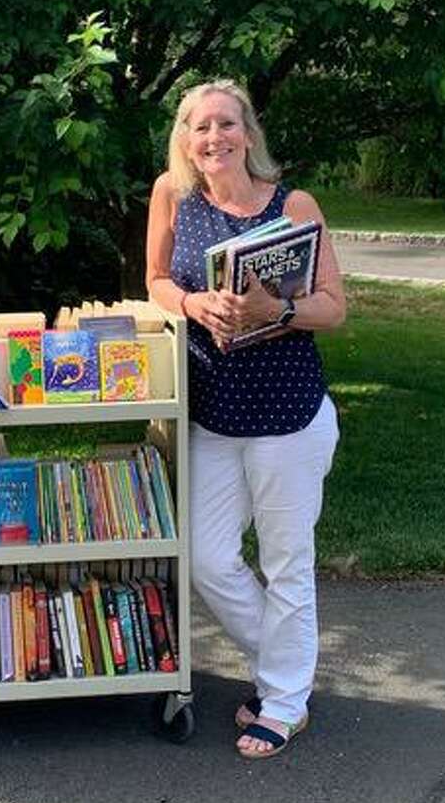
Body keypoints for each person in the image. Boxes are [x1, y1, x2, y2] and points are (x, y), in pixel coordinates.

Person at [145, 79, 346, 759]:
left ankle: (284, 704)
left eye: (226, 124)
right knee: (205, 557)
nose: (214, 137)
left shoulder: (293, 205)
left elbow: (334, 307)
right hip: (213, 413)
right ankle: (285, 672)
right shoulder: (173, 195)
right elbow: (155, 280)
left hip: (288, 413)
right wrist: (193, 304)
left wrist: (274, 310)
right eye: (200, 127)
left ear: (249, 133)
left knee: (287, 561)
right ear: (184, 139)